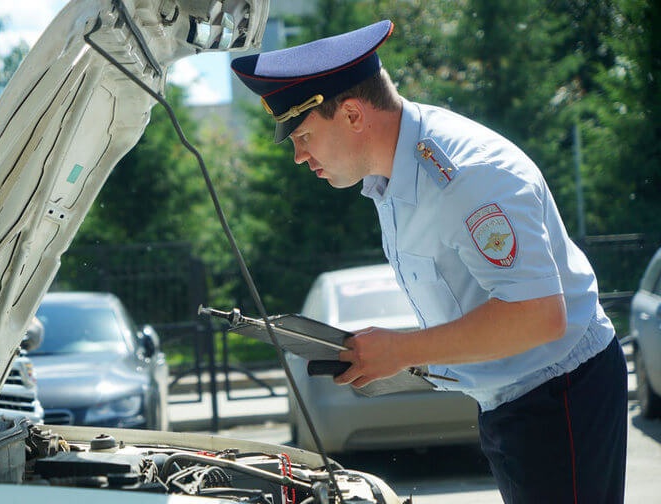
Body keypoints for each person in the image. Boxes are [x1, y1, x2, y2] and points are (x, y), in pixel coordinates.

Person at [231, 20, 627, 503]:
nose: (297, 155)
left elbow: (538, 316)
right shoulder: (394, 173)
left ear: (353, 115)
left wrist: (402, 350)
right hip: (516, 399)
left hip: (560, 393)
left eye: (303, 135)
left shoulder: (466, 176)